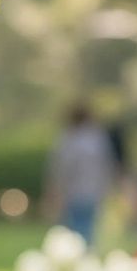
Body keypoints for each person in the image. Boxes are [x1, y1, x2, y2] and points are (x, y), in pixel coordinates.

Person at [45, 104, 117, 246]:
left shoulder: (68, 139)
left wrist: (54, 190)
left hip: (73, 193)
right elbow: (108, 166)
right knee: (87, 230)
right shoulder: (99, 139)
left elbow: (60, 169)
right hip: (93, 192)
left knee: (73, 231)